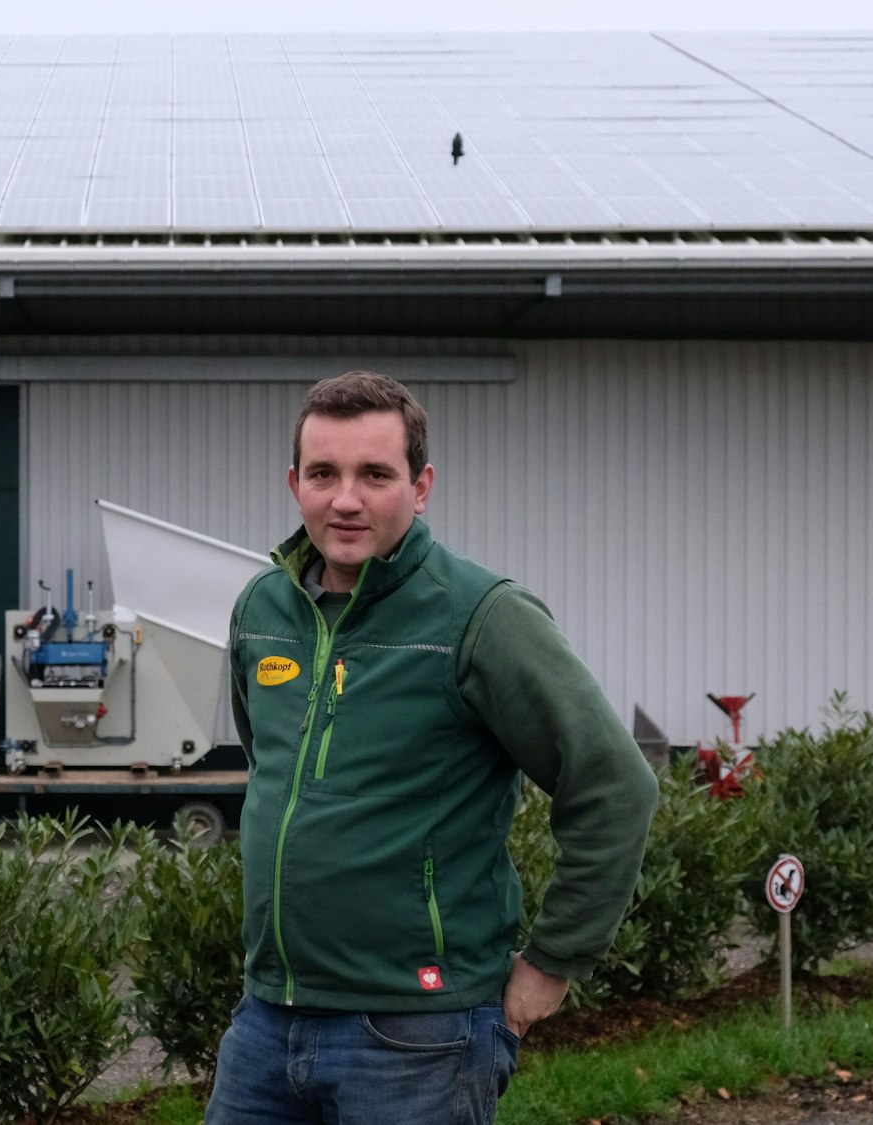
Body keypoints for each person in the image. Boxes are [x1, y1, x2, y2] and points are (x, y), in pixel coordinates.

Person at [206, 371, 660, 1125]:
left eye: (374, 475)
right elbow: (273, 769)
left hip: (418, 1034)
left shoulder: (482, 616)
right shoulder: (262, 610)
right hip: (267, 1022)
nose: (345, 499)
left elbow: (615, 783)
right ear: (296, 484)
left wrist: (551, 964)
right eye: (324, 473)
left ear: (421, 487)